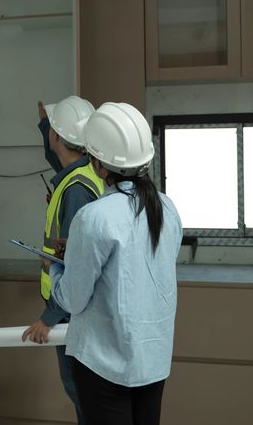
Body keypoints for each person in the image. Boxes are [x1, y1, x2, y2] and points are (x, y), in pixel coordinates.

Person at [43, 102, 182, 425]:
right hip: (153, 358)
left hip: (103, 362)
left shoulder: (94, 217)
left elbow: (74, 298)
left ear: (98, 162)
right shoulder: (167, 208)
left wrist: (57, 267)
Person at [21, 96, 104, 423]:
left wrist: (50, 316)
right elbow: (51, 152)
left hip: (72, 311)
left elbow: (77, 265)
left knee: (83, 396)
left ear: (59, 137)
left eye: (53, 130)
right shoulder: (84, 170)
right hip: (81, 308)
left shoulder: (75, 191)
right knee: (87, 397)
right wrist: (46, 122)